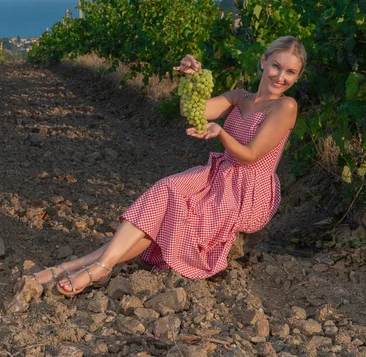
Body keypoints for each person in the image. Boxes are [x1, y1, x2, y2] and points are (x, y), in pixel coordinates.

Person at [29, 36, 306, 297]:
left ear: (297, 76)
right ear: (263, 61)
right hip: (220, 174)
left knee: (167, 213)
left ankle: (86, 267)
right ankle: (94, 267)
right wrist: (194, 79)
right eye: (276, 66)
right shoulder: (240, 97)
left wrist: (219, 133)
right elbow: (192, 110)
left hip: (246, 191)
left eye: (290, 73)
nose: (280, 77)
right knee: (166, 190)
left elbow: (251, 155)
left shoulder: (285, 107)